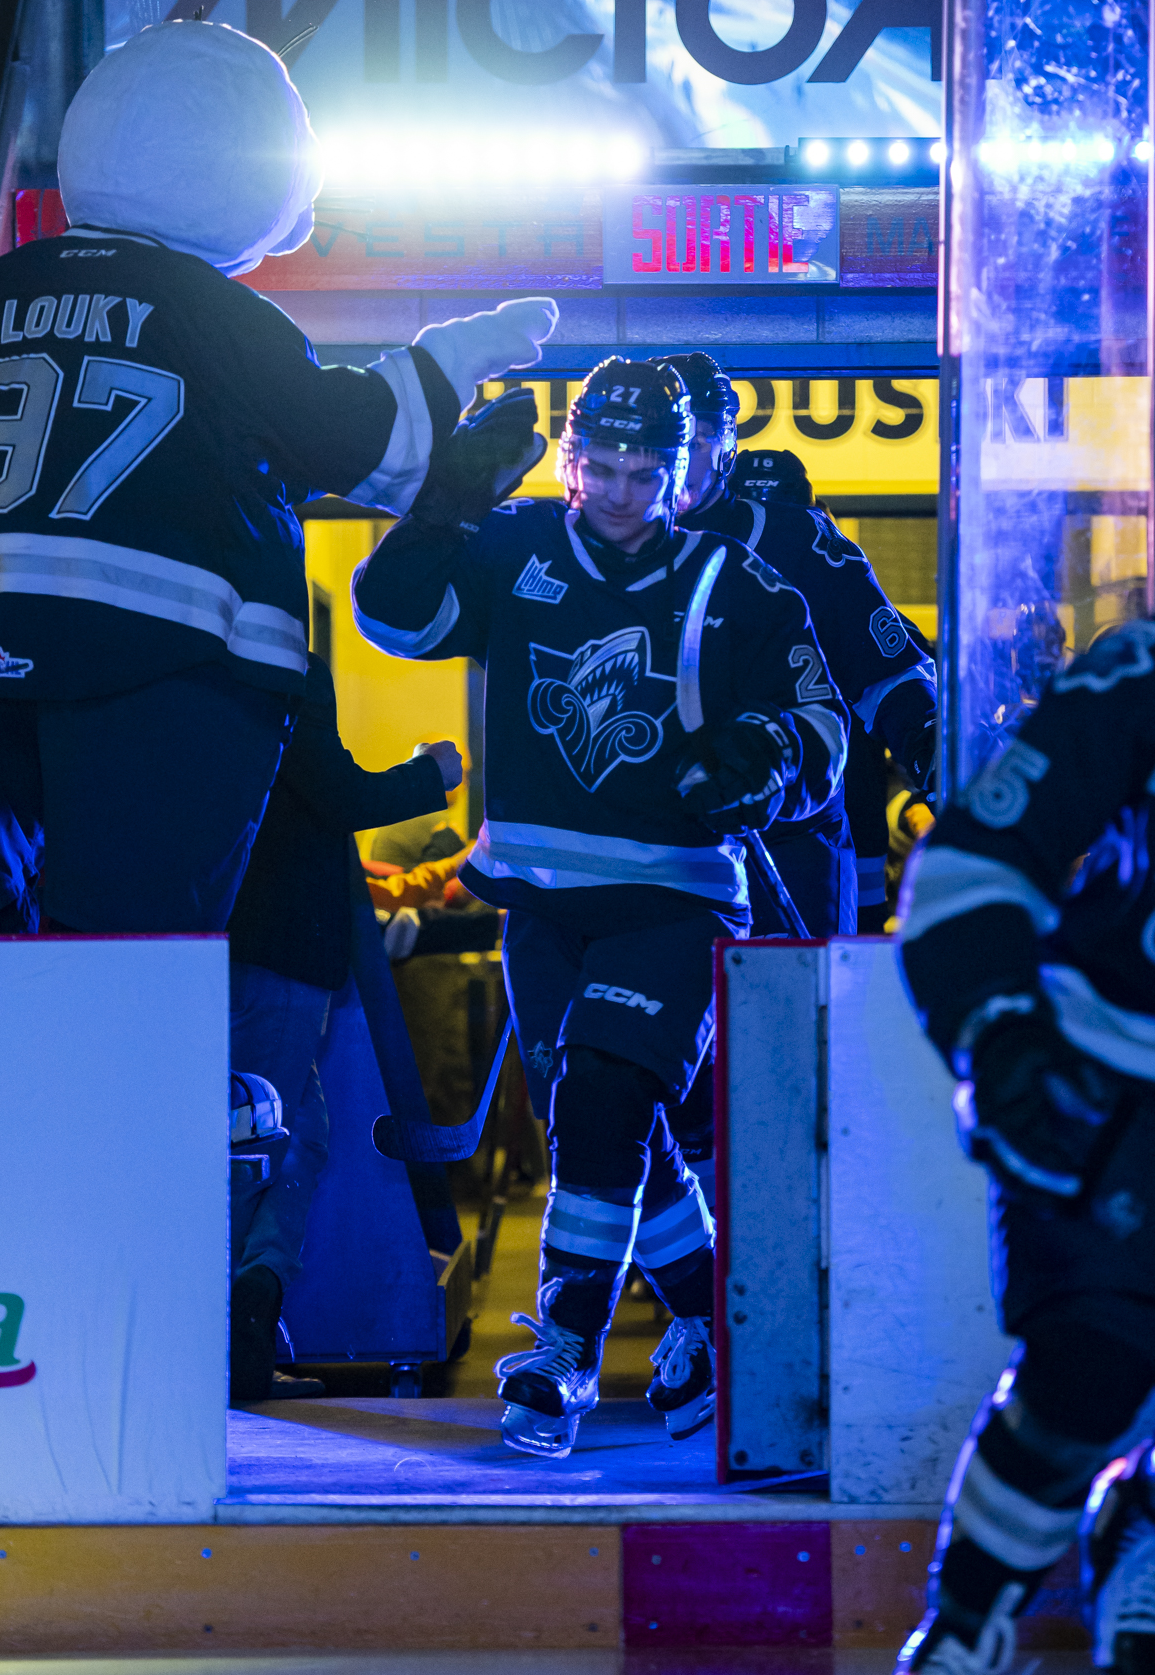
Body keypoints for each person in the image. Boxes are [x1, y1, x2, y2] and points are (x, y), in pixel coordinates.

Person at [351, 358, 848, 1457]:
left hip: (676, 898)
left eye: (646, 472)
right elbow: (390, 619)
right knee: (618, 1127)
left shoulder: (740, 584)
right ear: (572, 463)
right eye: (603, 469)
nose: (623, 495)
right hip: (540, 901)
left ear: (683, 469)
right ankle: (719, 1322)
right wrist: (442, 507)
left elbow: (824, 731)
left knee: (606, 1103)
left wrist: (766, 757)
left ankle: (565, 1348)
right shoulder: (515, 546)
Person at [0, 19, 555, 937]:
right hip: (168, 660)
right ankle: (152, 1085)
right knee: (134, 949)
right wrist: (449, 360)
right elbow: (362, 444)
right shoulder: (222, 313)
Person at [869, 616, 1155, 1675]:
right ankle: (962, 1631)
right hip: (1119, 1079)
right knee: (1089, 1364)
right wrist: (1000, 1036)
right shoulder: (1142, 673)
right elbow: (971, 866)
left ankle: (1148, 1510)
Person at [225, 648, 461, 1402]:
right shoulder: (280, 657)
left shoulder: (181, 649)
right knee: (265, 1130)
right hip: (283, 935)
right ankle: (237, 1325)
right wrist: (434, 773)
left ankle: (251, 1312)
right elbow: (333, 790)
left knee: (297, 1127)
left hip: (220, 926)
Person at [659, 350, 936, 935]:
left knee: (790, 1017)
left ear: (728, 445)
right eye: (669, 439)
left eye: (700, 437)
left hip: (789, 841)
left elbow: (889, 670)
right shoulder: (601, 547)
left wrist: (932, 746)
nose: (682, 460)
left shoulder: (799, 539)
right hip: (655, 847)